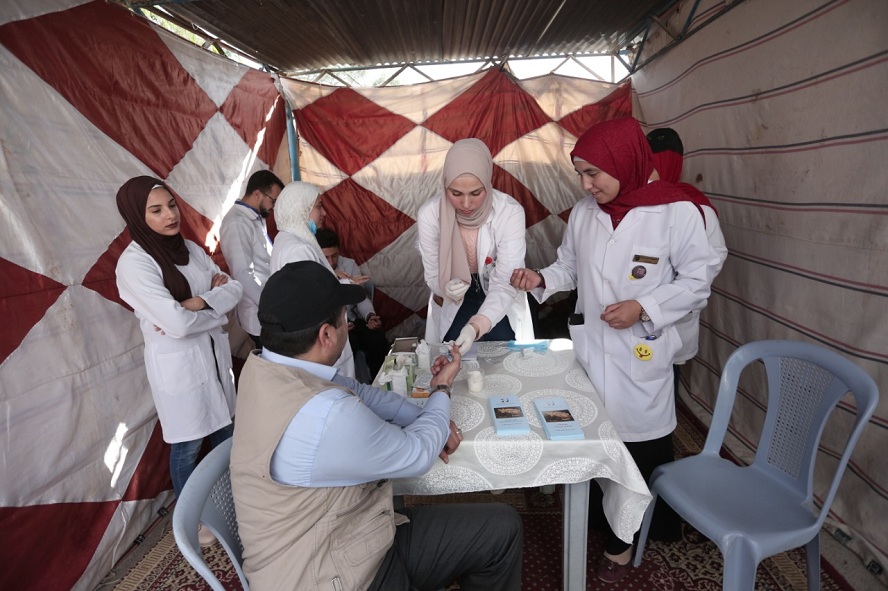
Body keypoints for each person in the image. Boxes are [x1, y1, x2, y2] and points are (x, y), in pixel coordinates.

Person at [510, 117, 722, 583]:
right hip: (593, 349)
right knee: (593, 439)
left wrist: (644, 308)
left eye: (593, 173)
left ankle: (625, 540)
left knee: (638, 449)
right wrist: (541, 278)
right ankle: (598, 520)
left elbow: (697, 281)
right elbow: (569, 267)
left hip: (639, 350)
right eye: (580, 174)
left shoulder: (677, 212)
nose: (586, 185)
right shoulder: (585, 213)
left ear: (625, 161)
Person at [230, 260, 523, 591]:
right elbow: (416, 454)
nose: (348, 324)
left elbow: (362, 393)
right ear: (326, 335)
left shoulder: (266, 368)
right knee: (499, 531)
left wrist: (429, 417)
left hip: (349, 534)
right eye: (344, 318)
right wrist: (441, 390)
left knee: (500, 528)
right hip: (332, 574)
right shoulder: (326, 414)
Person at [114, 176, 243, 503]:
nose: (170, 215)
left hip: (215, 360)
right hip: (181, 369)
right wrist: (214, 303)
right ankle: (192, 518)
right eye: (156, 210)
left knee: (226, 434)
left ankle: (232, 503)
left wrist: (198, 302)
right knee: (188, 447)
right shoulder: (134, 264)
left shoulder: (191, 249)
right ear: (136, 215)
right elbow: (179, 325)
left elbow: (234, 289)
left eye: (171, 205)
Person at [416, 138, 533, 354]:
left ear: (488, 183)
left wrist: (475, 327)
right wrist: (444, 288)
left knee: (504, 352)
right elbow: (432, 275)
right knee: (453, 354)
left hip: (498, 290)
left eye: (476, 193)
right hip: (457, 297)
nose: (466, 204)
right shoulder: (429, 215)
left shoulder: (509, 212)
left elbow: (505, 280)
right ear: (445, 185)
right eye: (456, 194)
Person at [646, 128, 728, 395]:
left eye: (653, 165)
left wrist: (673, 291)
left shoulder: (695, 207)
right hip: (632, 313)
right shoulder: (631, 203)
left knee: (666, 379)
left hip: (674, 313)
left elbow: (712, 260)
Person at [270, 181, 357, 378]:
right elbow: (313, 299)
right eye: (318, 206)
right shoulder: (298, 249)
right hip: (320, 344)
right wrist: (348, 285)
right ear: (300, 209)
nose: (324, 213)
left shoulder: (286, 240)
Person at [219, 169, 284, 350]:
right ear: (257, 194)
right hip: (261, 313)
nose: (273, 207)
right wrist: (270, 307)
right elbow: (243, 274)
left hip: (270, 306)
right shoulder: (236, 222)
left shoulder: (255, 217)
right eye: (273, 200)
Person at [316, 227, 391, 382]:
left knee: (378, 340)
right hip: (330, 326)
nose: (331, 262)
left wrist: (370, 316)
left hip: (353, 321)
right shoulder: (315, 270)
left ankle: (380, 383)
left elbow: (361, 298)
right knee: (349, 346)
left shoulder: (348, 264)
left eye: (334, 256)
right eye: (326, 257)